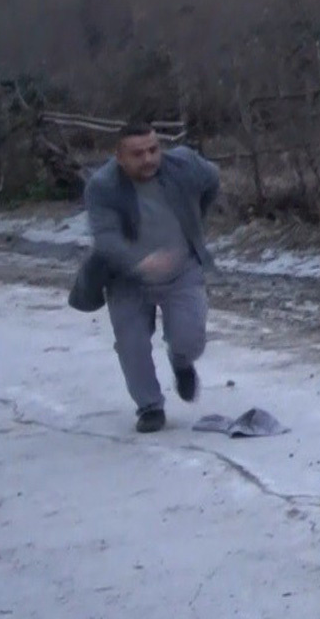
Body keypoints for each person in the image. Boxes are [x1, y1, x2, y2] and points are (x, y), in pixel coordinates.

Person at [73, 122, 221, 433]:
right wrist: (139, 263)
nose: (149, 159)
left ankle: (181, 362)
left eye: (153, 150)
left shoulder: (183, 164)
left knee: (189, 338)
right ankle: (150, 406)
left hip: (181, 270)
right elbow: (106, 239)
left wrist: (195, 222)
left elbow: (212, 180)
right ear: (119, 157)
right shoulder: (102, 187)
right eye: (138, 154)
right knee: (132, 344)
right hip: (125, 278)